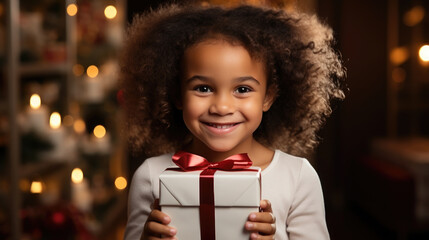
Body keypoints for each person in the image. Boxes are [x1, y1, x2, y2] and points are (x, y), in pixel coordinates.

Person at [121, 3, 345, 240]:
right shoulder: (150, 176)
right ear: (178, 95)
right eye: (203, 88)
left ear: (268, 97)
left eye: (242, 89)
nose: (222, 107)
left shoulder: (297, 178)